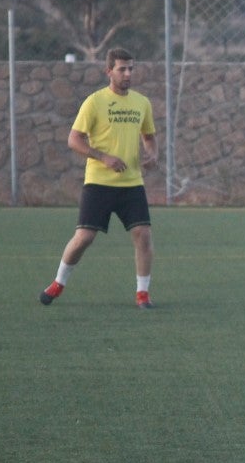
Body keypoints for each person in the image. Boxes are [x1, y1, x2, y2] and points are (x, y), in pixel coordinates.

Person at [39, 48, 158, 309]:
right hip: (98, 184)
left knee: (143, 235)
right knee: (84, 238)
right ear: (109, 72)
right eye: (122, 69)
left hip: (131, 183)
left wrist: (152, 154)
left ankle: (142, 294)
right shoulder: (94, 102)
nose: (128, 74)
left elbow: (149, 137)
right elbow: (74, 140)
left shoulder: (142, 103)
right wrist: (103, 157)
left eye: (131, 69)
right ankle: (58, 283)